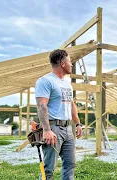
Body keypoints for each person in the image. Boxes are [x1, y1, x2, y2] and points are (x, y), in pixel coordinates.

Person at [35, 49, 82, 180]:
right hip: (53, 128)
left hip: (68, 129)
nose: (71, 64)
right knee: (48, 168)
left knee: (70, 164)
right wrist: (46, 130)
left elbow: (71, 104)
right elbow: (41, 105)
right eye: (69, 61)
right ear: (62, 63)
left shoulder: (67, 83)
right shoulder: (45, 81)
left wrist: (77, 123)